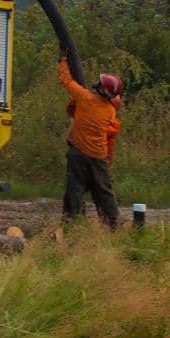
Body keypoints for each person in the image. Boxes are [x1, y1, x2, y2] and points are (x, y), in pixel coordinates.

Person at [57, 54, 122, 228]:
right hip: (99, 157)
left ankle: (71, 222)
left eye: (100, 83)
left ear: (102, 88)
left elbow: (66, 80)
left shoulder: (84, 98)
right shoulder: (110, 112)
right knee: (104, 191)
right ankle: (113, 224)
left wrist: (63, 62)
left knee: (75, 188)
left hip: (78, 152)